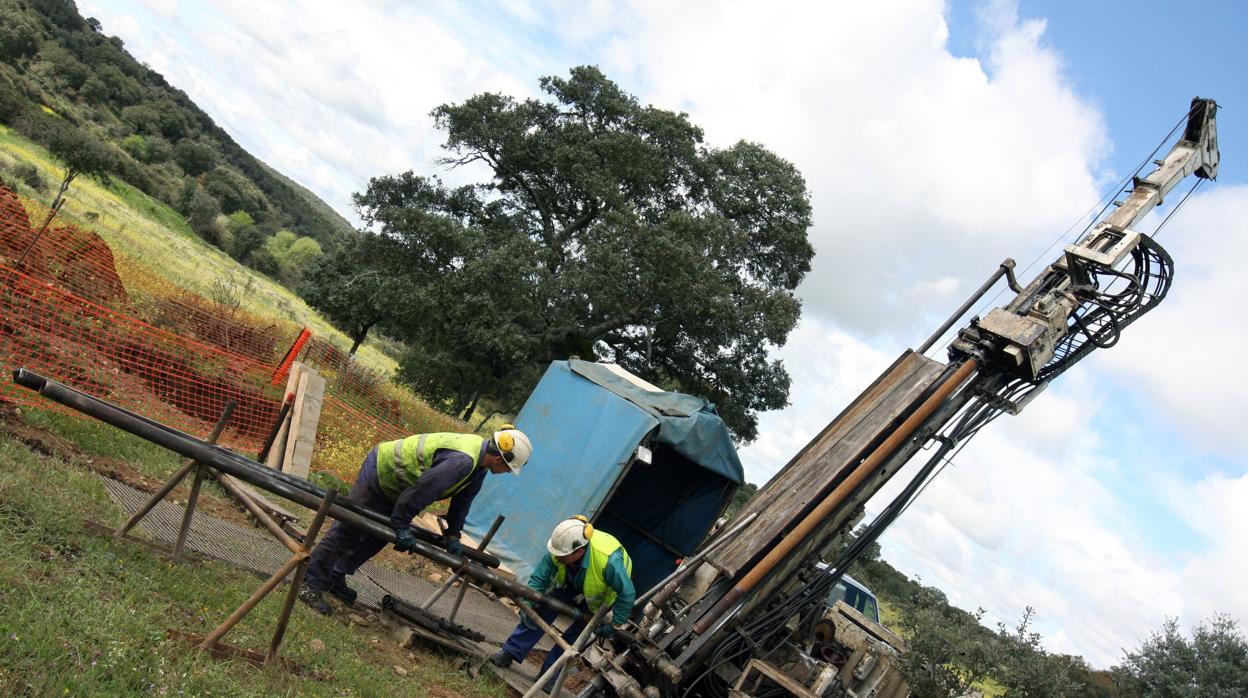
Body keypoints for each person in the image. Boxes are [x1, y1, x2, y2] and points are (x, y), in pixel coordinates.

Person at [299, 426, 532, 615]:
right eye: (509, 469)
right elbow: (423, 491)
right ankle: (310, 581)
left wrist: (453, 533)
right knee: (349, 527)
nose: (507, 473)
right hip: (384, 470)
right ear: (500, 459)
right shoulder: (462, 461)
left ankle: (335, 575)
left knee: (378, 536)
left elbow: (463, 501)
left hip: (400, 485)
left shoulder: (478, 467)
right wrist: (401, 525)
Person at [489, 516, 634, 684]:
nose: (557, 558)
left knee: (577, 636)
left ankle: (549, 678)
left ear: (579, 552)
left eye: (562, 556)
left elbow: (627, 593)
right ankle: (510, 652)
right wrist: (528, 602)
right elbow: (539, 579)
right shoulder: (561, 547)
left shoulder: (609, 562)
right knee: (544, 607)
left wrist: (615, 625)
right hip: (572, 582)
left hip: (601, 594)